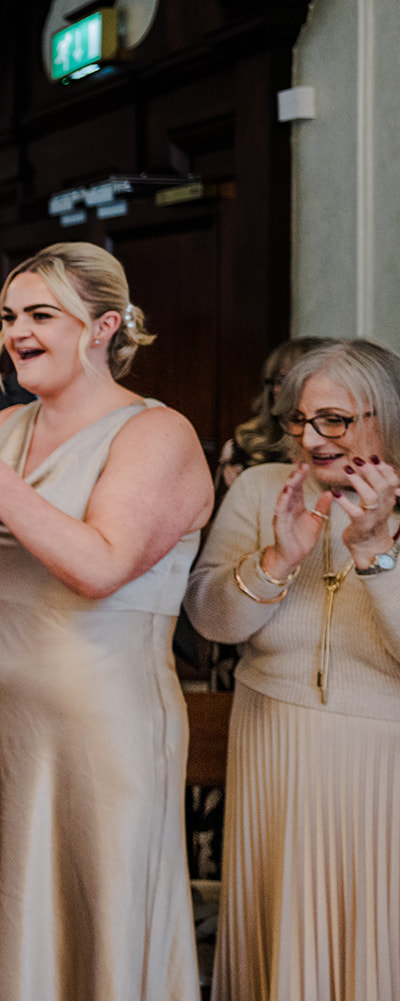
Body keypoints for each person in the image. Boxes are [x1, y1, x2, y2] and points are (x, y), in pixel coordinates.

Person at [0, 241, 211, 1001]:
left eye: (40, 314)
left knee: (88, 926)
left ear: (102, 328)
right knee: (0, 924)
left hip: (100, 727)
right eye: (8, 316)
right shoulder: (3, 429)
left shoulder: (155, 434)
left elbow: (99, 566)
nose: (16, 331)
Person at [184, 338, 400, 1001]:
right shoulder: (260, 489)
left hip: (378, 764)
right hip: (270, 743)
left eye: (333, 419)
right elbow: (210, 619)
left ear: (384, 416)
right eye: (302, 419)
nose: (312, 437)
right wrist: (276, 559)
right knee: (271, 942)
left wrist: (373, 554)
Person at [213, 336, 333, 493]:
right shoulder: (246, 445)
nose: (285, 390)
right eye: (281, 380)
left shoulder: (340, 441)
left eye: (297, 379)